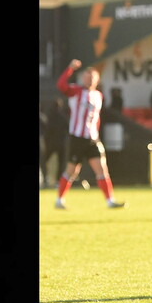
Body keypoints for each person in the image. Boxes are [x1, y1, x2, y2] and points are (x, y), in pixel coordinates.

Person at [54, 59, 126, 210]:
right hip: (77, 138)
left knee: (102, 169)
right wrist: (70, 69)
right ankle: (59, 200)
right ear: (83, 78)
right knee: (72, 171)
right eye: (87, 76)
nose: (89, 79)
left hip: (92, 138)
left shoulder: (98, 95)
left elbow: (96, 118)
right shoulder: (76, 91)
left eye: (92, 76)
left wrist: (96, 133)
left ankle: (110, 200)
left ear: (97, 79)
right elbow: (61, 85)